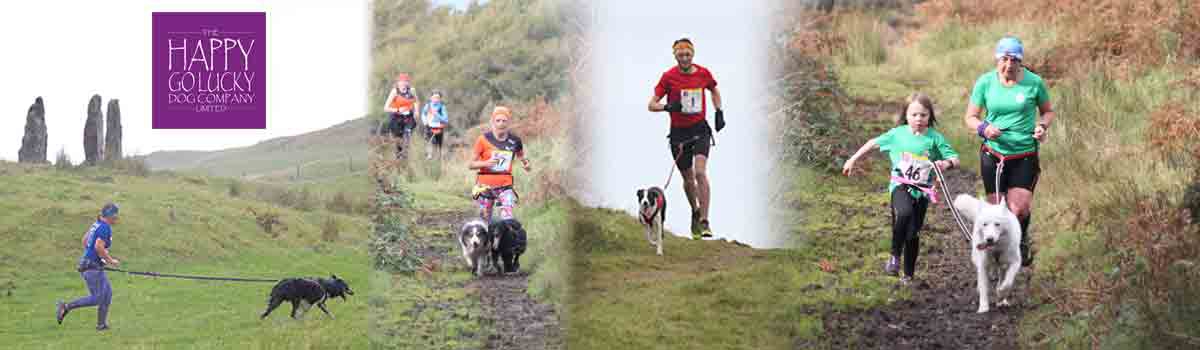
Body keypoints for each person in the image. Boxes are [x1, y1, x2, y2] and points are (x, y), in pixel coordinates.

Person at [843, 93, 960, 284]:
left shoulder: (935, 138)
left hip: (922, 192)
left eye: (923, 115)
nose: (919, 119)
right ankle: (894, 256)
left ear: (930, 116)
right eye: (914, 115)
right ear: (906, 115)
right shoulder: (897, 134)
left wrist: (945, 164)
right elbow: (872, 143)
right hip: (900, 186)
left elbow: (955, 158)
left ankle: (908, 276)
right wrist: (852, 159)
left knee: (913, 233)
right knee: (904, 214)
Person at [963, 36, 1056, 267]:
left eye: (1013, 60)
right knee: (997, 211)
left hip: (1024, 154)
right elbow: (970, 118)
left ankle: (1021, 241)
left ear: (1020, 61)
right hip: (993, 155)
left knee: (1018, 209)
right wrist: (984, 128)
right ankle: (997, 250)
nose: (1008, 65)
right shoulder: (985, 82)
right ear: (997, 60)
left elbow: (1047, 112)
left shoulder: (1034, 83)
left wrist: (1041, 127)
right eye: (1004, 59)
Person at [647, 37, 727, 240]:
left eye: (688, 54)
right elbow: (651, 104)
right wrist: (668, 106)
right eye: (680, 54)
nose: (684, 58)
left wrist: (719, 111)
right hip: (678, 134)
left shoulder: (703, 73)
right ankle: (695, 211)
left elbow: (714, 89)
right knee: (688, 180)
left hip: (700, 129)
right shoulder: (668, 77)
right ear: (675, 55)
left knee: (700, 172)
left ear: (693, 54)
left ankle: (705, 221)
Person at [57, 203, 122, 331]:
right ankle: (66, 306)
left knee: (107, 294)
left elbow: (85, 241)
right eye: (115, 216)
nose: (116, 219)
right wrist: (110, 260)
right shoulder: (105, 227)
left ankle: (101, 325)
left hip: (91, 264)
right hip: (91, 267)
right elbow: (98, 246)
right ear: (110, 216)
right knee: (98, 297)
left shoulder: (96, 224)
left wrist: (96, 256)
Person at [469, 106, 531, 225]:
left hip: (505, 185)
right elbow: (471, 164)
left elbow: (522, 157)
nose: (501, 124)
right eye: (498, 120)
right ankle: (486, 242)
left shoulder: (515, 141)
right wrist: (486, 163)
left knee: (507, 219)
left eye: (504, 121)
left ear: (508, 123)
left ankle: (505, 242)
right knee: (484, 221)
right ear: (492, 121)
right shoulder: (482, 140)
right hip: (484, 185)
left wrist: (526, 164)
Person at [383, 73, 420, 159]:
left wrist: (417, 111)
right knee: (398, 139)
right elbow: (385, 108)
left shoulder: (412, 90)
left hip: (408, 116)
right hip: (396, 117)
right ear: (398, 83)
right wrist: (398, 110)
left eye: (405, 81)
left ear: (408, 83)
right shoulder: (395, 91)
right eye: (401, 81)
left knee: (407, 134)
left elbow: (416, 101)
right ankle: (399, 157)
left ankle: (406, 155)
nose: (403, 83)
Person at [421, 90, 450, 160]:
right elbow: (423, 114)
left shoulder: (442, 107)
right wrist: (425, 121)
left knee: (439, 144)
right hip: (429, 127)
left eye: (437, 98)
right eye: (434, 97)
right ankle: (429, 156)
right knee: (431, 141)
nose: (435, 99)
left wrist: (436, 114)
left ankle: (438, 158)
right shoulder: (427, 106)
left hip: (439, 128)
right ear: (430, 98)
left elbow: (445, 119)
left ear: (440, 99)